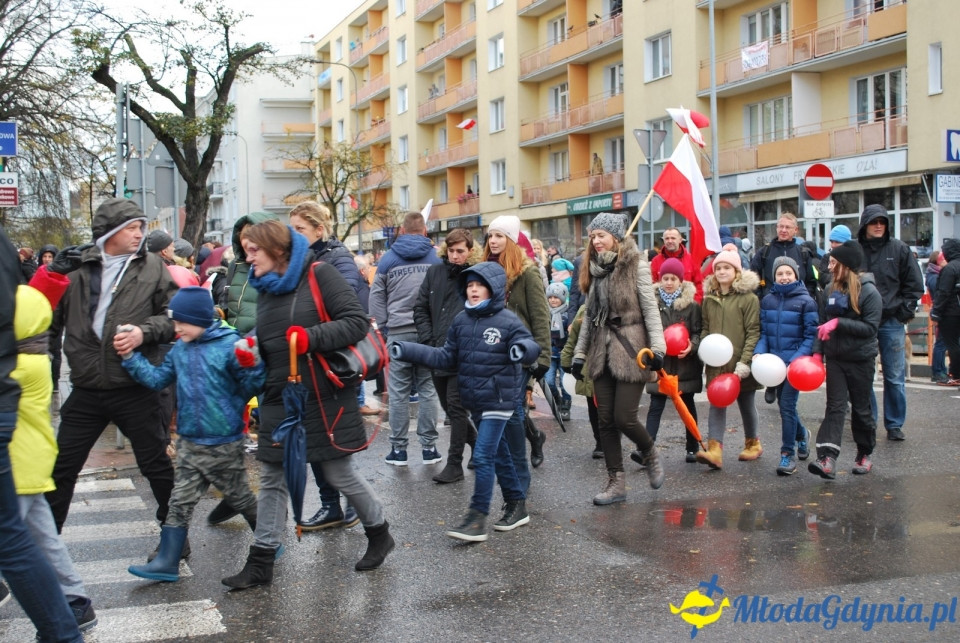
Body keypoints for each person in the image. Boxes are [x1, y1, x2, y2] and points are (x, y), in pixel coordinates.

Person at [222, 220, 393, 590]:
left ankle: (379, 533)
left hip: (322, 396)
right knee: (271, 478)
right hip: (278, 397)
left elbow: (355, 323)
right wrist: (252, 349)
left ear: (278, 250)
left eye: (253, 249)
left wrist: (310, 337)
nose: (246, 256)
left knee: (338, 474)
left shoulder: (320, 274)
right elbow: (273, 338)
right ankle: (261, 561)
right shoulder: (264, 287)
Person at [45, 199, 177, 543]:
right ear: (109, 233)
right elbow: (47, 322)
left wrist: (142, 332)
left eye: (141, 227)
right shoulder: (75, 268)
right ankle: (46, 546)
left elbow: (172, 318)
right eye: (132, 227)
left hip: (134, 386)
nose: (139, 234)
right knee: (61, 470)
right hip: (87, 389)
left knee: (156, 467)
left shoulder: (152, 267)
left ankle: (176, 539)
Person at [120, 287, 266, 582]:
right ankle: (167, 561)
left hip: (223, 441)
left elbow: (253, 385)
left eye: (181, 322)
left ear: (200, 318)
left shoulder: (229, 346)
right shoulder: (181, 350)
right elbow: (158, 379)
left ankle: (268, 541)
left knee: (240, 497)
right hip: (189, 440)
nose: (175, 328)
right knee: (179, 502)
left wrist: (251, 363)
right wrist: (130, 357)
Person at [391, 262, 540, 542]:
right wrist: (409, 350)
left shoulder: (507, 320)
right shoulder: (461, 321)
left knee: (483, 455)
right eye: (469, 285)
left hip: (500, 398)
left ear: (493, 289)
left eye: (479, 284)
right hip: (477, 400)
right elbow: (446, 357)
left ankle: (476, 518)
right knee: (499, 454)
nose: (473, 289)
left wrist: (523, 350)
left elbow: (531, 345)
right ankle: (517, 505)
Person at [1, 226, 84, 643]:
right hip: (27, 458)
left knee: (20, 541)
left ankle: (70, 607)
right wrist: (48, 279)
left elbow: (23, 306)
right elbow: (29, 305)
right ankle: (73, 600)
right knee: (37, 536)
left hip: (19, 459)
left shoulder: (18, 366)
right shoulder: (30, 358)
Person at [570, 212, 666, 503]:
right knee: (605, 420)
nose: (596, 241)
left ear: (616, 237)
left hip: (632, 349)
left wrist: (659, 349)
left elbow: (651, 310)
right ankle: (616, 483)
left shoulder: (637, 265)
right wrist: (579, 352)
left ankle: (649, 452)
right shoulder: (595, 269)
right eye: (593, 236)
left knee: (624, 416)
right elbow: (588, 317)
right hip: (601, 350)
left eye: (601, 235)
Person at [288, 201, 371, 532]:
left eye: (300, 230)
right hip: (309, 362)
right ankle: (331, 506)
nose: (293, 236)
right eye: (290, 229)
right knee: (315, 442)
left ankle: (359, 511)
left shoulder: (335, 260)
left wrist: (310, 323)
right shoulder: (297, 263)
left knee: (333, 443)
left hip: (333, 362)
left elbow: (349, 305)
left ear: (319, 231)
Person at [370, 211, 443, 466]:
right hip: (427, 335)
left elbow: (376, 298)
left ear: (401, 231)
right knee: (427, 388)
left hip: (399, 333)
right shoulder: (436, 258)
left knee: (399, 391)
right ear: (425, 231)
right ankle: (429, 449)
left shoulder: (388, 259)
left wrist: (386, 327)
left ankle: (399, 451)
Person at [483, 215, 551, 474]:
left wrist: (543, 358)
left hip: (520, 352)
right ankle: (534, 437)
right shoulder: (485, 270)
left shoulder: (528, 272)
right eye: (491, 235)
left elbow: (540, 316)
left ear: (511, 240)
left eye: (499, 235)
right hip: (491, 351)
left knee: (512, 409)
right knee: (504, 407)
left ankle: (515, 466)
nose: (494, 241)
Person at [808, 241, 882, 478]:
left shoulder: (869, 291)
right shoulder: (830, 289)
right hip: (836, 358)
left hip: (861, 359)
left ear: (846, 266)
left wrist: (839, 323)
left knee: (861, 409)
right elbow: (822, 324)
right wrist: (818, 353)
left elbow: (870, 328)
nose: (829, 267)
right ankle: (827, 459)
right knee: (835, 407)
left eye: (833, 263)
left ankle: (864, 453)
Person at [413, 228, 479, 484]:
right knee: (449, 408)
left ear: (470, 251)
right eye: (451, 251)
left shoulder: (475, 275)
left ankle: (454, 465)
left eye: (460, 251)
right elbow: (420, 307)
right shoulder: (435, 271)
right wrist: (428, 339)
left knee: (456, 407)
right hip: (435, 350)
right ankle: (479, 447)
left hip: (462, 353)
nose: (454, 256)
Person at [856, 204, 924, 441]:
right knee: (865, 374)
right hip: (863, 321)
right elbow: (840, 279)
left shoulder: (899, 248)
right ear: (865, 224)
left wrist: (904, 311)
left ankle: (894, 424)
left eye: (882, 222)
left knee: (894, 376)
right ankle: (869, 421)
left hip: (891, 321)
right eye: (874, 221)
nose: (878, 226)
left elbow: (914, 283)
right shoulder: (855, 250)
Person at [696, 248, 763, 470]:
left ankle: (753, 443)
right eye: (718, 268)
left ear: (737, 271)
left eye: (727, 268)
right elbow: (706, 329)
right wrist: (704, 350)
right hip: (717, 364)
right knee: (717, 403)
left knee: (746, 403)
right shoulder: (709, 299)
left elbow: (753, 331)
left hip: (741, 363)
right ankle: (715, 449)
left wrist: (745, 362)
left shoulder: (749, 299)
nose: (722, 272)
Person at [755, 257, 819, 476]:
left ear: (796, 275)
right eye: (780, 274)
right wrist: (759, 352)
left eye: (788, 273)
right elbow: (764, 333)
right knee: (784, 405)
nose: (784, 277)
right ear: (774, 276)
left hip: (795, 365)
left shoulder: (806, 301)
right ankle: (802, 435)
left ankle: (787, 454)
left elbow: (811, 335)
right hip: (773, 365)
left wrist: (796, 359)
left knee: (787, 406)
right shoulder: (768, 300)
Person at [637, 257, 703, 464]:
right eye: (665, 277)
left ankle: (693, 447)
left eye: (673, 278)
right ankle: (646, 450)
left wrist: (693, 345)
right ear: (659, 278)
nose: (668, 282)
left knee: (687, 406)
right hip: (660, 365)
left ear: (681, 281)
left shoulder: (692, 306)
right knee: (655, 406)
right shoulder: (652, 304)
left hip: (685, 366)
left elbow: (698, 331)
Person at [561, 306, 602, 458]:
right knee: (593, 406)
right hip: (588, 367)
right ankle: (600, 442)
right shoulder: (584, 310)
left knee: (609, 408)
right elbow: (573, 339)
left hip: (610, 366)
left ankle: (611, 440)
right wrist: (566, 359)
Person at [749, 213, 819, 300]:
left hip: (797, 306)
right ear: (776, 228)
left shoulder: (803, 253)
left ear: (795, 230)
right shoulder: (764, 252)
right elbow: (753, 279)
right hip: (770, 306)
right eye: (781, 226)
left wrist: (804, 299)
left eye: (787, 227)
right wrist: (763, 298)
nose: (783, 230)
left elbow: (811, 282)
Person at [931, 239, 960, 386]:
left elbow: (943, 292)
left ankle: (956, 374)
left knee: (952, 344)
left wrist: (936, 313)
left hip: (951, 313)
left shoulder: (950, 269)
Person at [649, 227, 704, 302]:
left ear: (680, 240)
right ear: (663, 240)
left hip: (687, 308)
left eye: (673, 238)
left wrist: (694, 304)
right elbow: (651, 287)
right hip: (663, 309)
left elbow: (699, 285)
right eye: (667, 238)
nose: (670, 241)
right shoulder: (655, 261)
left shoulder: (692, 260)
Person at [545, 282, 573, 421]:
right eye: (550, 297)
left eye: (556, 297)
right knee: (549, 381)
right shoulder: (545, 313)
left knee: (564, 382)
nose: (553, 300)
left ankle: (566, 406)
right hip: (550, 353)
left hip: (564, 353)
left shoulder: (568, 314)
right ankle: (558, 400)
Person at [925, 249, 949, 383]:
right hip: (940, 312)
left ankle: (941, 371)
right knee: (941, 343)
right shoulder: (934, 276)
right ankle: (938, 372)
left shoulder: (934, 274)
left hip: (940, 311)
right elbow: (939, 293)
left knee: (942, 342)